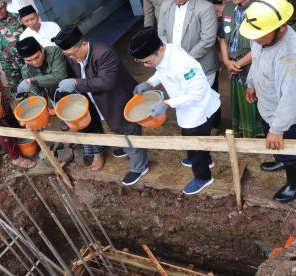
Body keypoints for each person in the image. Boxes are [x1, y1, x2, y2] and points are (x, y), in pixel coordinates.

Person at [129, 27, 220, 195]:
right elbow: (161, 72)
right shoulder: (163, 54)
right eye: (142, 63)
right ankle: (205, 159)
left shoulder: (183, 64)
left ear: (159, 49)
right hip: (186, 108)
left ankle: (203, 177)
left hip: (198, 110)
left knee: (195, 143)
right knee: (188, 135)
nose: (146, 65)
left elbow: (196, 93)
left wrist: (167, 104)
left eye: (147, 61)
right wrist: (149, 83)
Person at [53, 25, 149, 185]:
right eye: (67, 55)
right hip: (101, 101)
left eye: (72, 54)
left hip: (118, 99)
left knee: (128, 129)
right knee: (116, 127)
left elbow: (106, 82)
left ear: (83, 44)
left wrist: (76, 82)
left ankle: (139, 167)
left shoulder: (104, 53)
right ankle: (126, 148)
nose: (72, 58)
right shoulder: (76, 56)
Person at [239, 0, 296, 202]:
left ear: (280, 29)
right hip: (268, 107)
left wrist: (278, 129)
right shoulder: (262, 38)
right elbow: (256, 60)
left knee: (290, 150)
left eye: (259, 35)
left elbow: (291, 99)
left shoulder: (290, 56)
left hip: (287, 118)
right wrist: (251, 83)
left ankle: (293, 183)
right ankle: (282, 159)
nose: (254, 39)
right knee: (277, 145)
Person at [158, 0, 221, 134]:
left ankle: (213, 125)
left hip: (202, 64)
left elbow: (208, 39)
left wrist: (184, 60)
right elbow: (161, 33)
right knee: (186, 96)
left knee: (205, 97)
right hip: (174, 64)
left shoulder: (205, 7)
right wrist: (169, 56)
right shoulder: (166, 5)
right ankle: (193, 127)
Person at [218, 0, 263, 139]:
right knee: (238, 98)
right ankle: (241, 131)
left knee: (254, 97)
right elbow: (223, 38)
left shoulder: (260, 8)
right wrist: (226, 61)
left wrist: (238, 63)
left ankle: (257, 134)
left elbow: (261, 45)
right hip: (233, 64)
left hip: (253, 64)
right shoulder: (229, 8)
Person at [0, 0, 24, 92]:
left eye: (0, 8)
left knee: (34, 85)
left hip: (26, 60)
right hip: (8, 66)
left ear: (5, 5)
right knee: (16, 90)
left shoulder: (18, 17)